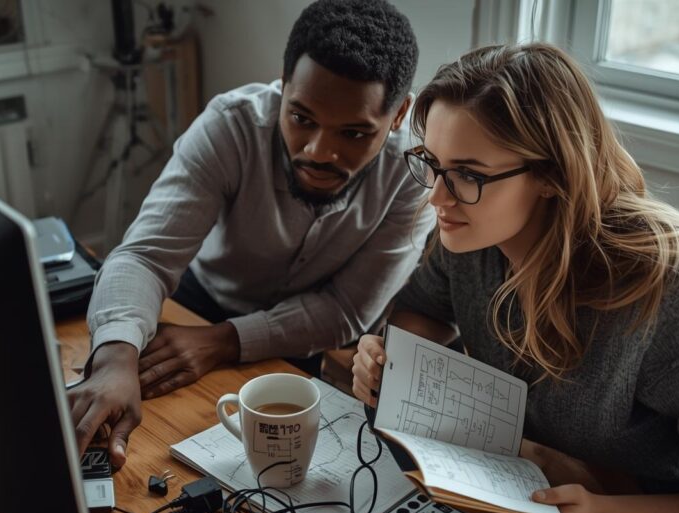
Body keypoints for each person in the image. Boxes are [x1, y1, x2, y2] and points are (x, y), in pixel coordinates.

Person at [351, 43, 679, 513]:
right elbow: (424, 310)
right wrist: (396, 364)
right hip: (521, 491)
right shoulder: (472, 235)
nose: (437, 197)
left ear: (551, 175)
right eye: (432, 164)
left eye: (469, 175)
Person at [70, 0, 433, 468]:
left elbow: (347, 310)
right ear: (283, 87)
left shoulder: (414, 176)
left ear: (399, 114)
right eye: (301, 119)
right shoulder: (230, 125)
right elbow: (144, 258)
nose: (319, 152)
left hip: (298, 340)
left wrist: (222, 341)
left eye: (353, 133)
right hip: (196, 307)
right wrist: (115, 357)